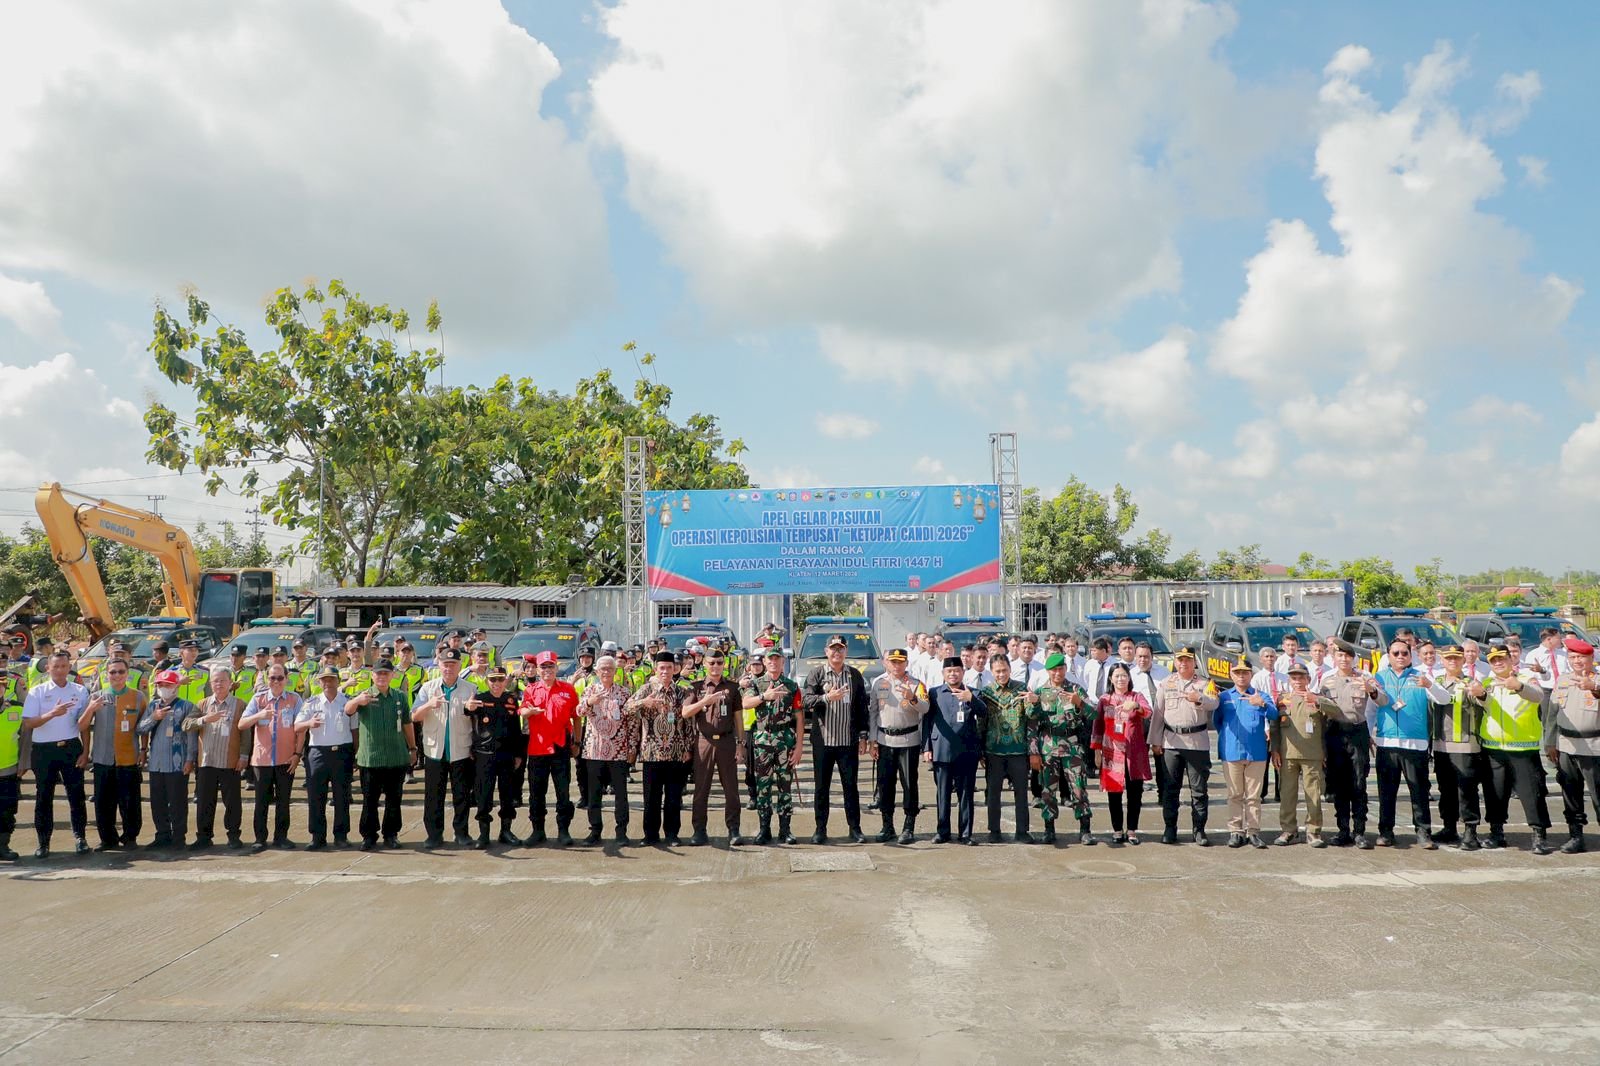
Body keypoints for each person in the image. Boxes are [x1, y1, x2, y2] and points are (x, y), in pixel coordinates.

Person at [1477, 645, 1553, 854]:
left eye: (1501, 658)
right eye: (1493, 660)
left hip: (1523, 748)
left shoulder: (1526, 678)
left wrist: (1518, 686)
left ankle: (1539, 835)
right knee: (1495, 793)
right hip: (1493, 748)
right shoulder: (1487, 683)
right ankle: (1496, 832)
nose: (1498, 663)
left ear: (1511, 659)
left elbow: (1538, 696)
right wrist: (1480, 695)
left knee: (1532, 794)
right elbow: (1484, 705)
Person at [23, 650, 97, 857]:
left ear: (69, 667)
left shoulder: (80, 691)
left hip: (70, 748)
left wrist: (85, 751)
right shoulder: (37, 691)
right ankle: (43, 843)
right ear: (48, 668)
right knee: (44, 796)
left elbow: (84, 725)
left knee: (76, 795)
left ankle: (80, 838)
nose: (60, 670)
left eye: (64, 666)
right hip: (43, 750)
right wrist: (52, 714)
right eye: (55, 666)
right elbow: (28, 723)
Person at [801, 635, 870, 845]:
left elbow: (861, 707)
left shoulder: (854, 675)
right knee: (822, 788)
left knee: (851, 787)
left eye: (840, 649)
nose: (837, 652)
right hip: (824, 741)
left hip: (847, 741)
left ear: (846, 651)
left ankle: (855, 828)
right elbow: (806, 700)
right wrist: (826, 698)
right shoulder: (817, 673)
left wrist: (863, 735)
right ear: (826, 651)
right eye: (833, 649)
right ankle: (820, 829)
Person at [1149, 646, 1219, 846]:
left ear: (1194, 662)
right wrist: (1155, 740)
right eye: (1180, 660)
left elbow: (1215, 703)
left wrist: (1200, 698)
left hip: (1197, 743)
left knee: (1199, 790)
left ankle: (1199, 830)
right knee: (1171, 789)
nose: (1183, 663)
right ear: (1175, 662)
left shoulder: (1205, 683)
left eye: (1188, 660)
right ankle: (1170, 828)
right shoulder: (1166, 683)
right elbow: (1158, 714)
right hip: (1172, 742)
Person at [1370, 640, 1435, 849]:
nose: (1400, 656)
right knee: (1386, 793)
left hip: (1415, 744)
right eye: (1395, 653)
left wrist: (1430, 685)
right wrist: (1369, 733)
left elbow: (1442, 699)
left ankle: (1423, 832)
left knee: (1419, 791)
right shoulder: (1379, 677)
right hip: (1387, 743)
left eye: (1404, 653)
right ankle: (1386, 832)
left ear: (1410, 655)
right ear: (1388, 655)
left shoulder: (1421, 676)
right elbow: (1371, 709)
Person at [412, 649, 476, 850]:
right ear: (439, 665)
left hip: (461, 750)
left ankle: (462, 833)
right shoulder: (428, 688)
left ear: (460, 666)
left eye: (453, 664)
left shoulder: (470, 688)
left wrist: (473, 709)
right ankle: (434, 835)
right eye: (445, 664)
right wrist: (429, 705)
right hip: (434, 751)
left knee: (462, 795)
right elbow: (414, 716)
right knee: (433, 796)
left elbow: (476, 721)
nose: (449, 668)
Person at [1027, 652, 1093, 845]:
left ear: (1065, 668)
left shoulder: (1075, 689)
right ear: (1047, 671)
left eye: (1060, 669)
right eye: (1053, 670)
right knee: (1048, 791)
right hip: (1048, 747)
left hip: (1072, 747)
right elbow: (1031, 725)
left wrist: (1079, 703)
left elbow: (1094, 715)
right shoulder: (1039, 692)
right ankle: (1049, 829)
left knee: (1078, 788)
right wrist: (1034, 752)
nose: (1058, 673)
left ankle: (1085, 829)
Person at [1320, 640, 1381, 848]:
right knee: (1339, 785)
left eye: (1347, 656)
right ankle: (1343, 830)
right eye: (1340, 655)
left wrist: (1371, 690)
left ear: (1353, 658)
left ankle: (1359, 831)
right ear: (1334, 658)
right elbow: (1321, 711)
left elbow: (1380, 701)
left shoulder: (1364, 678)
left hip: (1357, 733)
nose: (1344, 659)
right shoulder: (1326, 681)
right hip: (1335, 734)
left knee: (1358, 783)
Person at [81, 655, 145, 851]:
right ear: (106, 675)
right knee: (103, 803)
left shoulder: (138, 697)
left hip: (128, 757)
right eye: (113, 672)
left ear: (127, 674)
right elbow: (82, 726)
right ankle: (108, 839)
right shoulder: (96, 697)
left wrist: (144, 750)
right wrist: (91, 709)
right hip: (103, 758)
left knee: (130, 802)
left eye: (121, 672)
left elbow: (144, 726)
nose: (117, 675)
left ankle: (130, 837)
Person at [741, 647, 804, 845]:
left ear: (783, 662)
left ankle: (785, 830)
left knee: (785, 786)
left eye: (777, 659)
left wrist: (799, 746)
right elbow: (745, 703)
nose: (773, 663)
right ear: (765, 662)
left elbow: (799, 717)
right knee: (763, 787)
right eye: (770, 659)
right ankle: (764, 830)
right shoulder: (756, 683)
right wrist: (764, 697)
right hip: (763, 740)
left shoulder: (791, 686)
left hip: (785, 740)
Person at [683, 650, 746, 846]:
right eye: (712, 663)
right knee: (701, 789)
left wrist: (741, 745)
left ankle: (733, 829)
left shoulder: (732, 688)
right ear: (705, 664)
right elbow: (685, 712)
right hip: (704, 741)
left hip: (726, 741)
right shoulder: (696, 687)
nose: (715, 666)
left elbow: (738, 719)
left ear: (724, 664)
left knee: (731, 789)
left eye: (719, 662)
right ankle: (699, 830)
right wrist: (704, 701)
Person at [632, 651, 694, 846]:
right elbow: (626, 708)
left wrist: (688, 748)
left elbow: (688, 722)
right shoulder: (646, 689)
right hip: (651, 752)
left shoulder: (681, 692)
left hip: (676, 751)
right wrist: (644, 702)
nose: (665, 671)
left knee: (673, 797)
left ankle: (672, 834)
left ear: (675, 669)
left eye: (669, 667)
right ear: (655, 669)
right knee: (651, 797)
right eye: (662, 668)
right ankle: (650, 835)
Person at [1214, 658, 1278, 849]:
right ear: (1231, 675)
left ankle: (1253, 831)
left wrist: (1262, 704)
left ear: (1251, 675)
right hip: (1231, 752)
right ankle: (1236, 831)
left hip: (1256, 752)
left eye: (1245, 672)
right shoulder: (1224, 697)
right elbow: (1217, 722)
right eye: (1237, 672)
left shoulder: (1261, 695)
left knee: (1253, 796)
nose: (1241, 676)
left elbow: (1274, 714)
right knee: (1235, 794)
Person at [1271, 662, 1336, 847]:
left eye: (1301, 677)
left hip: (1312, 754)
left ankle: (1313, 831)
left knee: (1313, 794)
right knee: (1287, 794)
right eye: (1294, 678)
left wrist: (1316, 700)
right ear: (1289, 680)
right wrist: (1274, 750)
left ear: (1308, 679)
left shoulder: (1316, 697)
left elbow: (1335, 712)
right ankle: (1289, 830)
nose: (1298, 681)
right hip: (1288, 754)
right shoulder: (1282, 699)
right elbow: (1275, 726)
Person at [577, 650, 638, 846]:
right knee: (594, 794)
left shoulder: (624, 693)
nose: (606, 672)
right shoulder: (589, 690)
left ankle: (621, 832)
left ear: (615, 671)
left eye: (610, 669)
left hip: (618, 751)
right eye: (603, 669)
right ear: (596, 671)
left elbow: (632, 722)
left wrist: (632, 748)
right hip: (594, 751)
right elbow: (579, 711)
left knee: (621, 795)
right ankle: (595, 831)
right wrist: (589, 702)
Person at [1426, 646, 1485, 849]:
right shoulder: (1436, 682)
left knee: (1466, 790)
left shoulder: (1470, 683)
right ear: (1442, 661)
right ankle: (1449, 827)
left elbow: (1482, 706)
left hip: (1465, 745)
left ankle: (1470, 830)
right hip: (1441, 745)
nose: (1453, 661)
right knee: (1446, 789)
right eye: (1449, 658)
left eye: (1457, 658)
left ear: (1463, 660)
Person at [924, 656, 987, 844]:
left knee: (966, 794)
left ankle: (965, 833)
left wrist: (971, 699)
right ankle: (942, 832)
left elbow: (984, 712)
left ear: (963, 672)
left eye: (957, 671)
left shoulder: (973, 692)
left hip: (966, 750)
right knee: (942, 794)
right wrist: (926, 747)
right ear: (943, 673)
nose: (953, 674)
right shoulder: (934, 693)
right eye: (949, 671)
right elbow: (927, 721)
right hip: (941, 749)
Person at [867, 649, 927, 844]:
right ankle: (887, 825)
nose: (896, 665)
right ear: (886, 663)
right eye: (893, 662)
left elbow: (926, 708)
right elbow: (873, 713)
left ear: (906, 663)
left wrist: (912, 697)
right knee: (885, 785)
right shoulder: (878, 683)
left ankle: (909, 826)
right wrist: (873, 740)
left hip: (908, 741)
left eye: (900, 662)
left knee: (909, 784)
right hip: (885, 741)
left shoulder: (916, 684)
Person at [1546, 636, 1600, 853]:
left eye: (1581, 657)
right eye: (1573, 657)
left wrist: (1594, 687)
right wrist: (1550, 742)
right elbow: (1552, 714)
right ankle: (1576, 835)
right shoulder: (1563, 680)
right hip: (1566, 746)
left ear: (1591, 658)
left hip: (1594, 746)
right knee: (1570, 793)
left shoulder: (1597, 679)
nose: (1577, 661)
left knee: (1598, 795)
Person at [523, 650, 582, 847]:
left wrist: (577, 742)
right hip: (537, 748)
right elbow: (522, 710)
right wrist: (529, 712)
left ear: (557, 668)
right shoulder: (531, 690)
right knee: (536, 793)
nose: (547, 670)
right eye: (543, 666)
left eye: (551, 666)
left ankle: (563, 830)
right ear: (537, 669)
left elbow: (576, 717)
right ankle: (537, 831)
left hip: (560, 747)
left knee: (563, 792)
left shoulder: (568, 689)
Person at [240, 666, 302, 853]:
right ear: (267, 679)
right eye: (272, 678)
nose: (276, 682)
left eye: (280, 678)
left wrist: (297, 754)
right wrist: (259, 715)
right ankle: (260, 838)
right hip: (262, 760)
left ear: (286, 679)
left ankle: (281, 837)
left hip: (285, 759)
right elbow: (242, 724)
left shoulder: (294, 699)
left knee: (283, 801)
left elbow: (301, 729)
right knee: (261, 801)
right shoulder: (258, 699)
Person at [184, 667, 247, 850]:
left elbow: (246, 734)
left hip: (230, 762)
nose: (219, 684)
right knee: (204, 802)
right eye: (215, 681)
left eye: (222, 680)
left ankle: (233, 836)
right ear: (210, 684)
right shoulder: (202, 704)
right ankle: (204, 837)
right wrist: (204, 720)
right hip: (206, 761)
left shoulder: (240, 705)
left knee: (232, 802)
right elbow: (186, 724)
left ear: (230, 683)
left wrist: (243, 756)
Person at [295, 664, 356, 851]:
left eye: (331, 679)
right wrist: (309, 723)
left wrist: (355, 753)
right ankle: (317, 837)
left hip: (342, 753)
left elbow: (355, 730)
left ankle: (341, 836)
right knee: (316, 797)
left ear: (338, 681)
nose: (328, 682)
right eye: (324, 680)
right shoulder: (311, 702)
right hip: (318, 753)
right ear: (319, 682)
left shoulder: (347, 702)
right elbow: (297, 727)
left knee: (342, 797)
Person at [1092, 662, 1152, 844]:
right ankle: (1117, 829)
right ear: (1111, 679)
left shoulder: (1136, 696)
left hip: (1134, 752)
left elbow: (1148, 712)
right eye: (1117, 676)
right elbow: (1097, 726)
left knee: (1135, 793)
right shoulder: (1105, 700)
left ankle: (1132, 830)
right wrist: (1096, 751)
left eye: (1124, 675)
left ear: (1129, 678)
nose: (1121, 679)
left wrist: (1135, 706)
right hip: (1112, 751)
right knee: (1114, 792)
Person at [137, 668, 197, 849]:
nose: (163, 688)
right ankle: (162, 835)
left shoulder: (187, 706)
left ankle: (178, 837)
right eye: (160, 685)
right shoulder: (152, 706)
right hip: (156, 762)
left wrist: (190, 759)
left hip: (177, 762)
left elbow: (192, 736)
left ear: (176, 686)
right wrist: (154, 718)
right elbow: (140, 729)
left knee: (178, 802)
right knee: (158, 802)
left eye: (168, 685)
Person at [979, 653, 1036, 844]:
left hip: (1018, 750)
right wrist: (981, 750)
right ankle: (994, 830)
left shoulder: (1021, 689)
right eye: (997, 671)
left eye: (1004, 670)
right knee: (993, 793)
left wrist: (1032, 702)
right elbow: (981, 723)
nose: (1001, 674)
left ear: (1010, 669)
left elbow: (1030, 717)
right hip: (994, 751)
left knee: (1021, 793)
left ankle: (1022, 831)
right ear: (991, 671)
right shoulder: (986, 693)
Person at [465, 666, 523, 849]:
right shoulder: (479, 699)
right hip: (485, 754)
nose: (496, 683)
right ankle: (484, 834)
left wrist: (519, 754)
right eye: (493, 680)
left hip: (506, 755)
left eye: (500, 679)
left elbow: (516, 729)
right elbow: (468, 713)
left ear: (505, 681)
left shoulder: (511, 700)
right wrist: (467, 707)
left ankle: (506, 831)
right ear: (487, 681)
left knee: (508, 794)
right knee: (483, 794)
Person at [1524, 626, 1567, 693]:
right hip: (1545, 690)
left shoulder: (1563, 653)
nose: (1561, 640)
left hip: (1564, 689)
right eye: (1558, 638)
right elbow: (1529, 675)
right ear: (1549, 639)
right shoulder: (1533, 655)